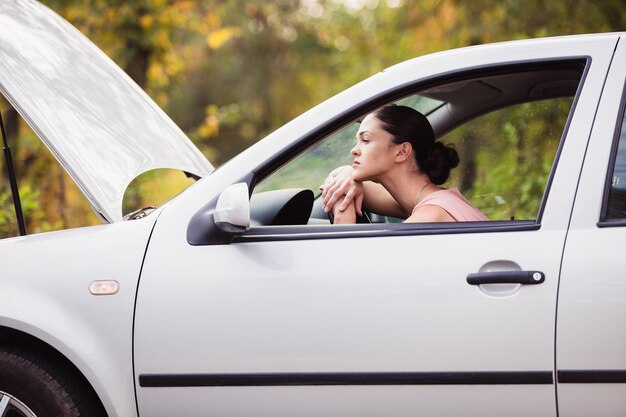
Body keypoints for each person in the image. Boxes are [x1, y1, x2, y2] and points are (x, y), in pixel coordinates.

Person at [320, 105, 487, 224]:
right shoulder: (433, 200)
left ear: (401, 152)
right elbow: (337, 180)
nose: (354, 151)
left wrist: (344, 217)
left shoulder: (429, 217)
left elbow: (355, 271)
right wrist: (349, 173)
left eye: (366, 140)